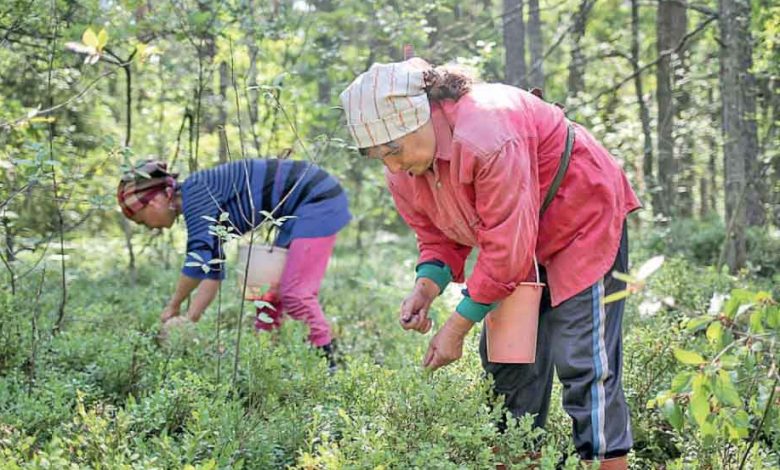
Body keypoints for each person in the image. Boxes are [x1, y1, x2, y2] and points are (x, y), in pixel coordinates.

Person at [339, 58, 640, 469]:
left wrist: (456, 326)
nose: (392, 165)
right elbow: (436, 234)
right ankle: (518, 460)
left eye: (394, 149)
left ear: (422, 116)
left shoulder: (486, 132)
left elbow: (505, 251)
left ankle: (606, 462)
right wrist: (426, 287)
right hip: (516, 240)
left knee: (584, 361)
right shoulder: (405, 170)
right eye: (379, 156)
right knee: (510, 364)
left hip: (580, 222)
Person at [117, 158, 351, 364]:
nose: (147, 227)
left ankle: (327, 360)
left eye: (141, 221)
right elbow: (212, 271)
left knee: (295, 293)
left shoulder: (195, 194)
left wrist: (174, 305)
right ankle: (264, 358)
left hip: (317, 198)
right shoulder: (196, 199)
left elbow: (197, 264)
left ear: (155, 201)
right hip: (298, 209)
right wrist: (190, 319)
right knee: (268, 294)